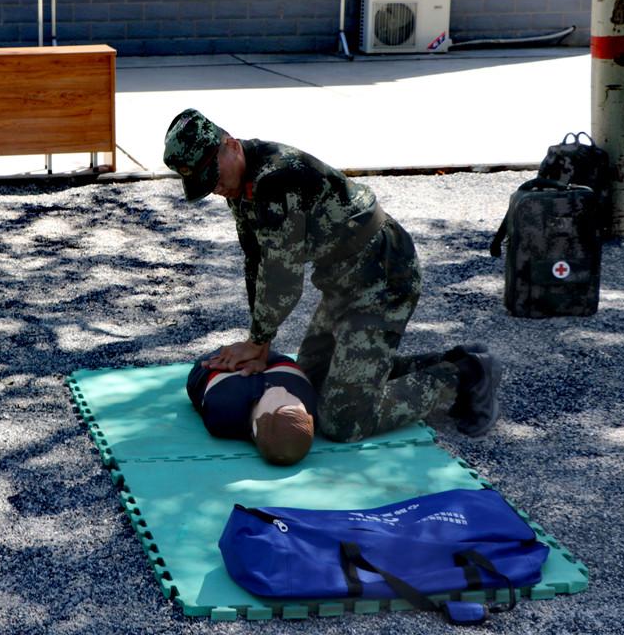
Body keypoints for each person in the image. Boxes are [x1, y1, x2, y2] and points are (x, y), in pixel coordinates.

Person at [163, 109, 503, 445]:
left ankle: (462, 377)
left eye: (215, 176)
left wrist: (257, 340)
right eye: (206, 184)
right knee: (313, 380)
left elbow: (283, 278)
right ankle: (453, 360)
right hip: (342, 282)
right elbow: (257, 261)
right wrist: (261, 344)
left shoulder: (275, 178)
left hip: (381, 277)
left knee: (342, 421)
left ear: (232, 146)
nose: (216, 188)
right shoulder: (243, 186)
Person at [187, 352, 317, 465]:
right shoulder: (307, 399)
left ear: (256, 425)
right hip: (278, 363)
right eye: (296, 404)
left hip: (219, 368)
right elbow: (285, 362)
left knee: (217, 360)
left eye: (279, 403)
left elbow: (208, 370)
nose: (282, 391)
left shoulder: (223, 409)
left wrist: (236, 361)